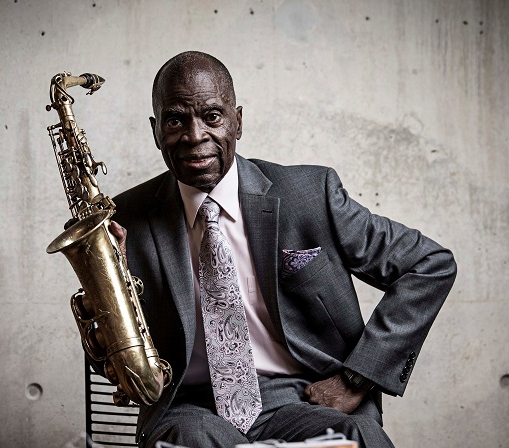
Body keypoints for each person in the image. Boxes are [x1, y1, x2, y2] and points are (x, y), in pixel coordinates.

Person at [108, 51, 456, 448]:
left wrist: (356, 378)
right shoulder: (124, 219)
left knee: (355, 438)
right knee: (188, 440)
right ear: (155, 130)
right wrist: (112, 307)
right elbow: (116, 352)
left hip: (300, 397)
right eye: (175, 120)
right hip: (190, 406)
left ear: (238, 121)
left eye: (212, 117)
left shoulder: (310, 195)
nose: (194, 135)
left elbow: (429, 264)